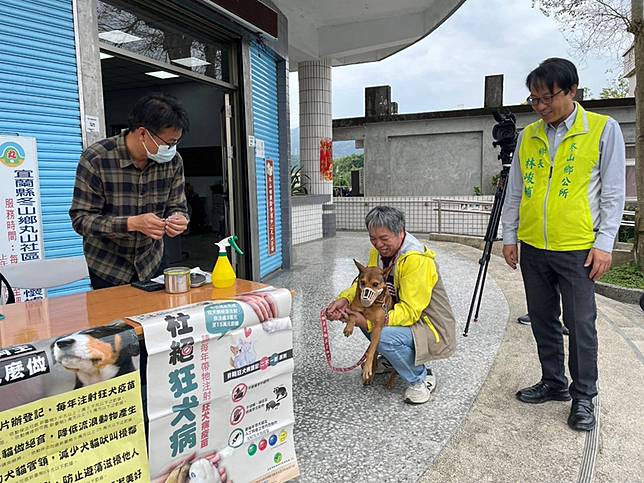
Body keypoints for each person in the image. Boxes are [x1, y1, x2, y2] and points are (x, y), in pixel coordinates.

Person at [501, 58, 625, 431]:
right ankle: (554, 383)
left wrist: (604, 244)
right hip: (534, 246)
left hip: (578, 248)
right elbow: (516, 191)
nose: (540, 106)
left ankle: (584, 395)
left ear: (571, 91)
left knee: (580, 323)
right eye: (534, 99)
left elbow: (614, 193)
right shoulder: (528, 136)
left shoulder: (603, 129)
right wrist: (510, 236)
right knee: (542, 318)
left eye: (547, 98)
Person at [324, 206, 456, 404]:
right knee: (364, 315)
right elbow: (364, 283)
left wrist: (368, 321)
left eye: (384, 239)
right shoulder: (377, 254)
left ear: (400, 232)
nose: (378, 245)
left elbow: (411, 311)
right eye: (373, 238)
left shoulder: (416, 260)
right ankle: (393, 357)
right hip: (403, 320)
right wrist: (344, 300)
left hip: (430, 326)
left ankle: (421, 378)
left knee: (380, 332)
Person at [70, 94, 190, 289]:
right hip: (108, 267)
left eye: (175, 143)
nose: (171, 149)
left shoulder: (174, 162)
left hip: (152, 261)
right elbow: (81, 219)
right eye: (168, 143)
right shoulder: (96, 159)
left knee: (158, 317)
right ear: (143, 133)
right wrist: (131, 223)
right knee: (114, 319)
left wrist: (178, 218)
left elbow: (177, 205)